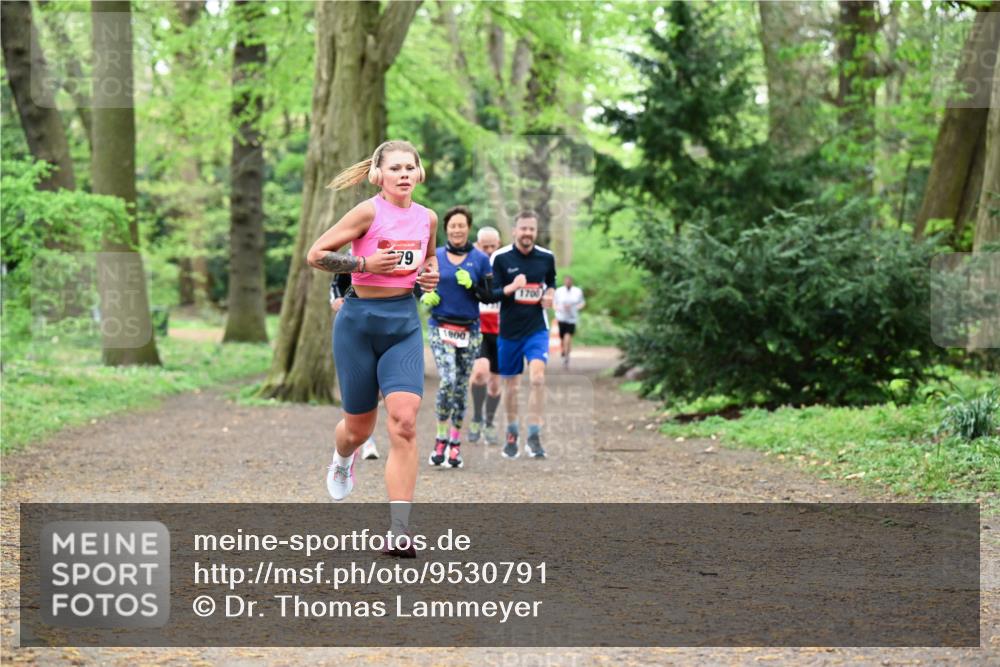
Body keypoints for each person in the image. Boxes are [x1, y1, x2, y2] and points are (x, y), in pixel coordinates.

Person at [307, 140, 439, 557]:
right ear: (378, 175)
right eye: (395, 167)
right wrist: (363, 266)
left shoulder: (428, 218)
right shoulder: (368, 212)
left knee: (403, 422)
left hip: (402, 324)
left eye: (410, 167)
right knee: (358, 430)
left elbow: (427, 262)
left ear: (419, 174)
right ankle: (342, 458)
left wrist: (430, 276)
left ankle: (399, 531)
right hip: (358, 325)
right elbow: (317, 254)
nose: (403, 174)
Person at [424, 206, 498, 469]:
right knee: (448, 379)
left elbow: (491, 296)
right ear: (446, 229)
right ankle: (440, 439)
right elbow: (417, 284)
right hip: (440, 326)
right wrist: (424, 296)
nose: (457, 230)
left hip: (470, 329)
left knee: (460, 386)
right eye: (452, 226)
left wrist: (473, 286)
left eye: (461, 225)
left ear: (469, 228)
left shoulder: (480, 259)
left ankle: (455, 445)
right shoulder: (435, 256)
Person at [490, 211, 556, 459]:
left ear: (536, 232)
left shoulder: (546, 258)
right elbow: (493, 292)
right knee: (512, 386)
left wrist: (550, 294)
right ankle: (512, 432)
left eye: (532, 229)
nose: (527, 233)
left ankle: (534, 435)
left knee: (537, 378)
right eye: (523, 228)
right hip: (508, 331)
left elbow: (551, 283)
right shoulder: (501, 258)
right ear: (515, 231)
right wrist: (512, 287)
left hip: (536, 329)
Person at [330, 271, 379, 460]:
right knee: (361, 389)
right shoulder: (351, 258)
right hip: (353, 327)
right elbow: (336, 285)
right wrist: (336, 300)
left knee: (379, 391)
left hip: (384, 327)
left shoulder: (394, 251)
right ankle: (366, 441)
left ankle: (363, 435)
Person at [467, 226, 503, 446]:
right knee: (480, 373)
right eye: (485, 246)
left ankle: (488, 423)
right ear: (478, 244)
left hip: (502, 331)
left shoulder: (505, 263)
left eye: (493, 246)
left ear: (498, 244)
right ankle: (476, 417)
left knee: (495, 384)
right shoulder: (473, 262)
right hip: (478, 328)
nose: (489, 250)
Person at [553, 275, 586, 369]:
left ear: (571, 282)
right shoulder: (559, 291)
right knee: (562, 338)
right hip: (561, 318)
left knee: (568, 337)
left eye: (569, 281)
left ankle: (566, 357)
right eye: (566, 281)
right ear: (564, 282)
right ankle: (564, 351)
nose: (568, 282)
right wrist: (557, 309)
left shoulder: (577, 291)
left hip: (572, 318)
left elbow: (582, 303)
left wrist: (577, 308)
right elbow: (554, 303)